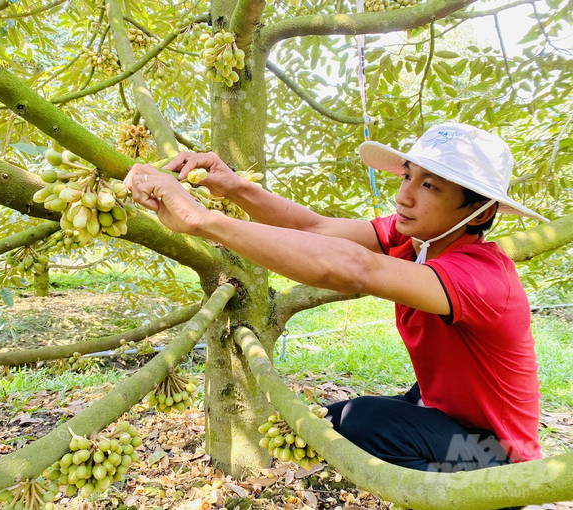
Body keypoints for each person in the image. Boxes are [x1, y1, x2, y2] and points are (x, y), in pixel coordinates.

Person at [124, 122, 547, 472]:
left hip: (499, 454)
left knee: (365, 422)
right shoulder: (416, 238)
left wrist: (202, 220)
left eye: (431, 185)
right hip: (444, 412)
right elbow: (314, 230)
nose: (404, 195)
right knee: (336, 418)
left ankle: (490, 498)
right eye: (407, 176)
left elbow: (354, 269)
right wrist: (233, 187)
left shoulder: (483, 276)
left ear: (483, 211)